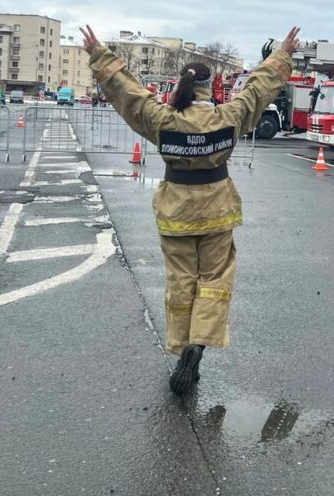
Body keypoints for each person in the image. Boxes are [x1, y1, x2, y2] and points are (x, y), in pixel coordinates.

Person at [81, 24, 301, 395]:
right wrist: (283, 54)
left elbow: (129, 94)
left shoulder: (163, 119)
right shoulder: (227, 118)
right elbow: (259, 91)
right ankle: (199, 344)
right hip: (217, 212)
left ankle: (182, 346)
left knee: (180, 283)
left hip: (176, 214)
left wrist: (99, 54)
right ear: (209, 87)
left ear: (181, 84)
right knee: (214, 281)